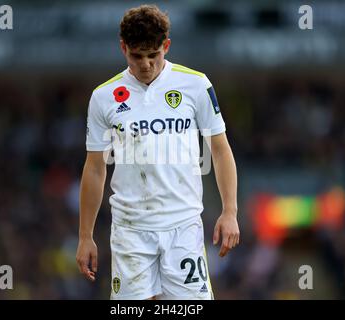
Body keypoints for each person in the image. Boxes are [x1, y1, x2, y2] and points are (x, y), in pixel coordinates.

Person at [76, 4, 239, 300]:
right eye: (137, 56)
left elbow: (220, 149)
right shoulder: (103, 97)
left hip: (183, 224)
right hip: (130, 228)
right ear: (123, 48)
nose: (146, 64)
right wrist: (85, 236)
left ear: (166, 46)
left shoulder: (196, 84)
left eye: (153, 55)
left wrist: (230, 211)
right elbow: (95, 168)